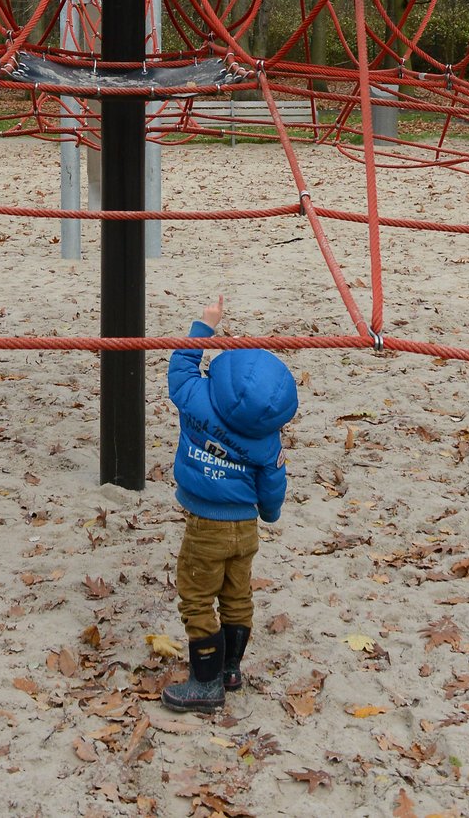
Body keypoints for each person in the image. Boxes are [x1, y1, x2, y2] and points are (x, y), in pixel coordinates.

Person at [162, 292, 299, 715]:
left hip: (206, 525)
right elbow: (273, 482)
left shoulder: (196, 399)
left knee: (197, 597)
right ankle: (231, 669)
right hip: (246, 528)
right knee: (237, 595)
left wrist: (205, 326)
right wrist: (270, 513)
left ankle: (205, 684)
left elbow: (181, 367)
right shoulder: (266, 439)